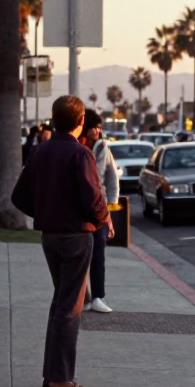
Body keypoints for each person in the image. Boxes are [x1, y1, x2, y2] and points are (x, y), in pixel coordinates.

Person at [11, 95, 111, 387]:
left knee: (61, 303)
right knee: (69, 308)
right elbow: (93, 199)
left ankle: (53, 373)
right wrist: (104, 220)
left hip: (50, 236)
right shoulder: (80, 154)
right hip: (76, 237)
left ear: (54, 120)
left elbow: (19, 196)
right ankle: (60, 378)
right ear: (80, 122)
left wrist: (44, 213)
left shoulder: (41, 151)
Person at [79, 110, 118, 314]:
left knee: (98, 254)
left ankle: (97, 297)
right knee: (80, 255)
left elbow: (112, 177)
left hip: (99, 207)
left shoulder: (103, 147)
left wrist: (111, 204)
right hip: (78, 208)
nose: (98, 130)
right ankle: (84, 298)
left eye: (100, 127)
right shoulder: (76, 147)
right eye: (95, 126)